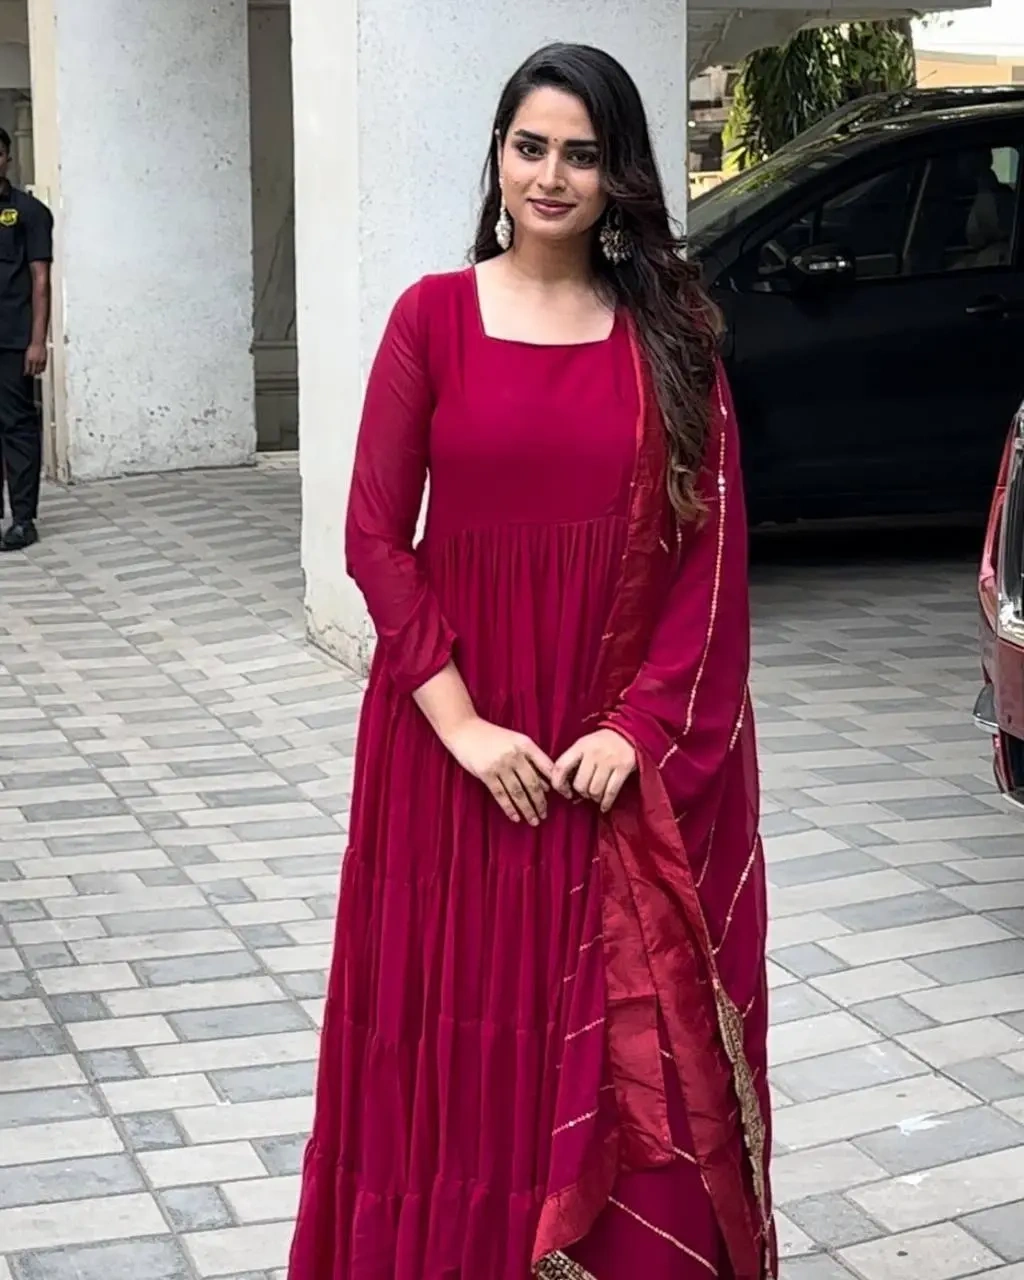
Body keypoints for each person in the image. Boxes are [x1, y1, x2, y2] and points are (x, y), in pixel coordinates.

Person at [289, 43, 774, 1280]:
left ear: (619, 175)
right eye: (529, 146)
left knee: (611, 1058)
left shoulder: (668, 342)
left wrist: (637, 729)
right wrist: (459, 724)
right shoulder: (431, 317)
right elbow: (372, 535)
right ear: (497, 158)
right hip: (452, 764)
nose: (550, 175)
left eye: (581, 152)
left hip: (595, 770)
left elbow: (707, 564)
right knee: (445, 1053)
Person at [0, 127, 52, 552]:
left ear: (7, 160)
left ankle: (23, 518)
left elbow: (40, 281)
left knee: (16, 427)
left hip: (13, 340)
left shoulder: (29, 212)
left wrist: (38, 341)